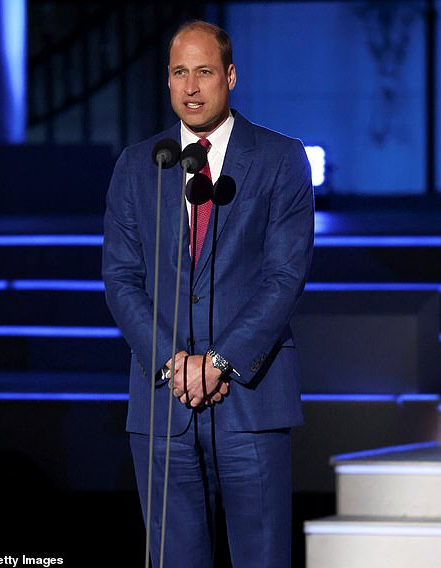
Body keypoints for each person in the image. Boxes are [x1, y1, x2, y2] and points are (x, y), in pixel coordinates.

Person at [102, 19, 314, 568]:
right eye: (179, 73)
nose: (190, 87)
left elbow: (284, 278)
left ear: (231, 77)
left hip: (250, 399)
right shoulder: (136, 165)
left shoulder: (280, 159)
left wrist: (219, 362)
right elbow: (121, 279)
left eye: (203, 72)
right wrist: (176, 365)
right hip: (162, 404)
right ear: (167, 82)